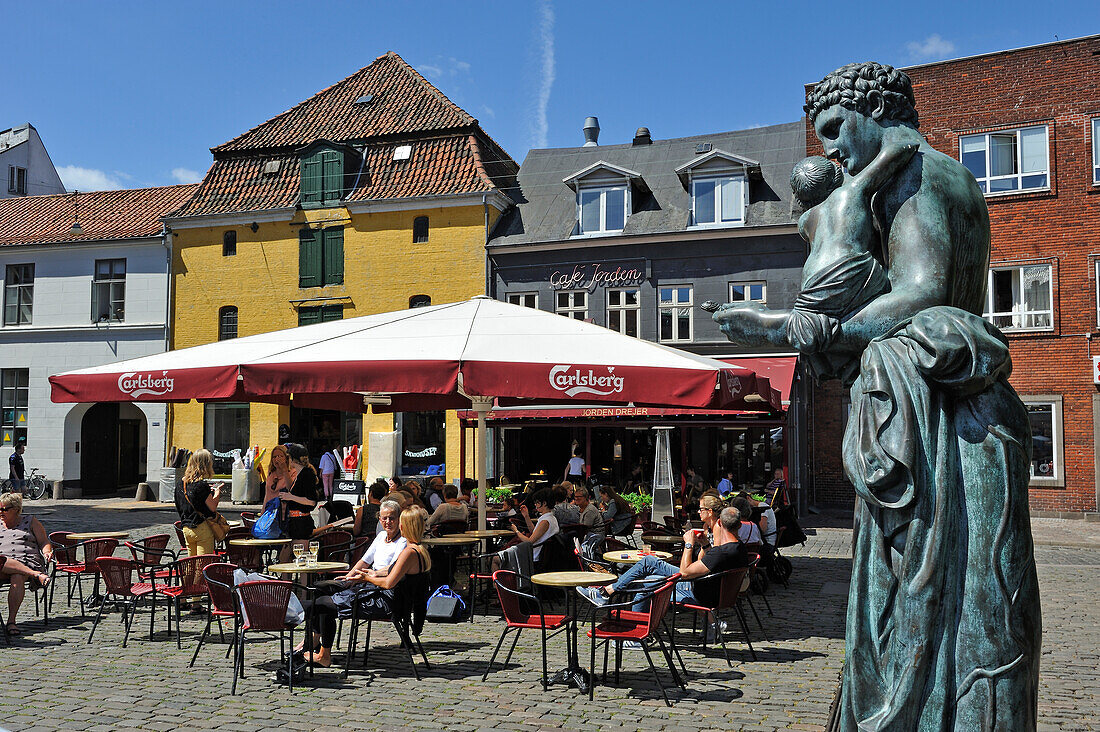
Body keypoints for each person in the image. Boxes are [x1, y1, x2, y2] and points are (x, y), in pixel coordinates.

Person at [301, 501, 423, 668]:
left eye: (395, 519)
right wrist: (351, 578)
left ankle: (317, 647)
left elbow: (389, 580)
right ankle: (315, 642)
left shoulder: (408, 550)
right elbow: (366, 562)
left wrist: (367, 577)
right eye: (384, 518)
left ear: (404, 525)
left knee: (319, 605)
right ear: (379, 519)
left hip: (382, 598)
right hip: (378, 591)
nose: (389, 522)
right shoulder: (417, 550)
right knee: (320, 591)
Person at [578, 504, 747, 613]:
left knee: (646, 580)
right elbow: (710, 563)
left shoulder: (723, 552)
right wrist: (704, 545)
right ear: (739, 525)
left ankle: (634, 629)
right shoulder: (739, 548)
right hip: (709, 589)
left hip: (696, 592)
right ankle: (608, 593)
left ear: (719, 524)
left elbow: (685, 572)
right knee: (649, 566)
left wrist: (688, 544)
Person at [0, 493, 53, 634]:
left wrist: (47, 551)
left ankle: (11, 622)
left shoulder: (30, 521)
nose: (1, 512)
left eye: (4, 509)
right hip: (2, 563)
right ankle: (37, 575)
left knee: (17, 576)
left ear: (16, 509)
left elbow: (44, 541)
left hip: (27, 560)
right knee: (3, 562)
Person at [174, 449, 222, 556]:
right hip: (201, 528)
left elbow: (179, 504)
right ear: (207, 465)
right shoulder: (201, 485)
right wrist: (217, 492)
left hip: (186, 528)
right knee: (203, 564)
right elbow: (212, 507)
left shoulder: (181, 484)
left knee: (191, 565)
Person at [280, 443, 320, 556]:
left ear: (293, 459)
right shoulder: (300, 474)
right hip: (294, 521)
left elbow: (311, 501)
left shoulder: (307, 475)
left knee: (302, 558)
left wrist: (290, 497)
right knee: (284, 558)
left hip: (301, 522)